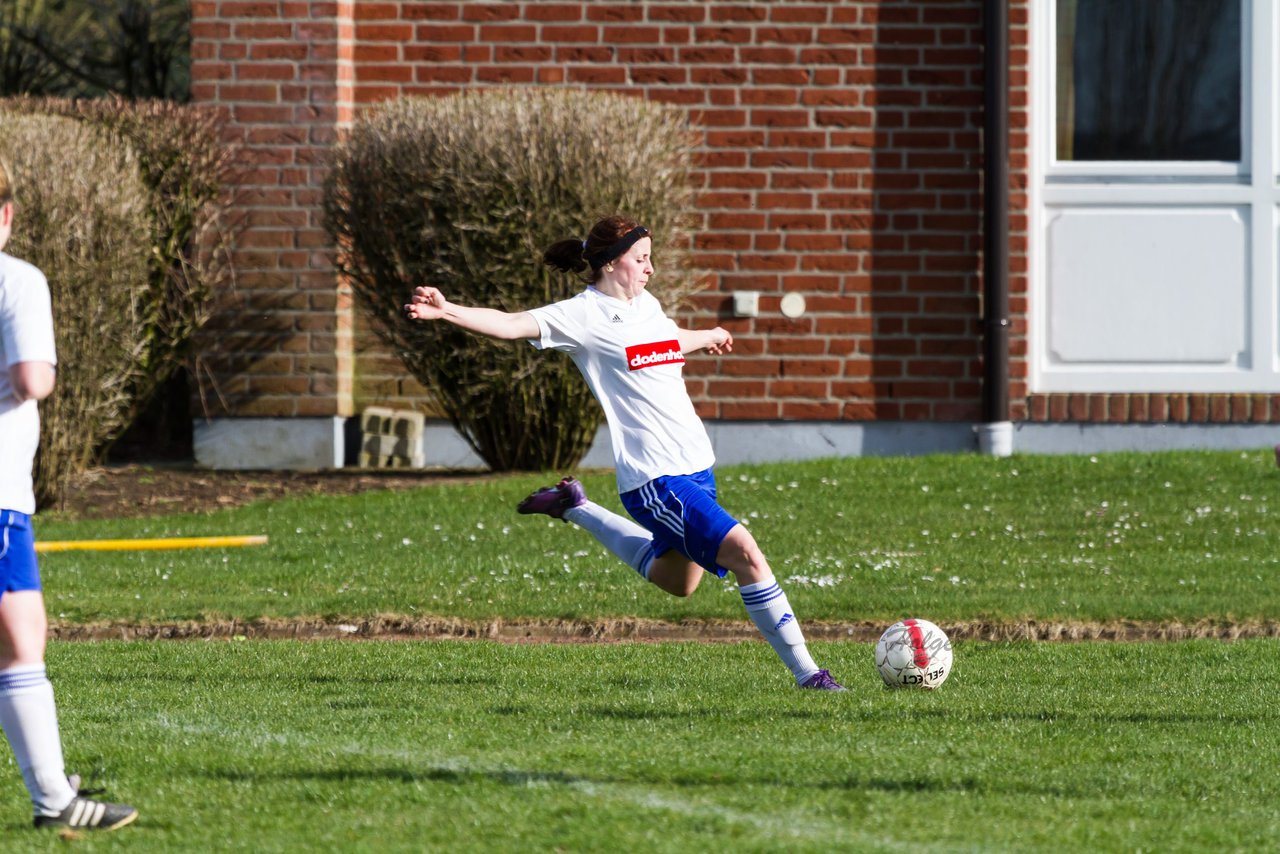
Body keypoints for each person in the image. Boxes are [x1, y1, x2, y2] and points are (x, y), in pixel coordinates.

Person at [405, 215, 845, 691]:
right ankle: (810, 676)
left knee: (679, 582)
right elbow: (511, 325)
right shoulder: (581, 316)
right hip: (655, 479)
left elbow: (666, 343)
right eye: (642, 259)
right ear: (613, 263)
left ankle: (576, 507)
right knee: (746, 554)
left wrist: (710, 336)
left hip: (697, 468)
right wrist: (447, 310)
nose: (650, 268)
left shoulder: (646, 304)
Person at [0, 158, 138, 830]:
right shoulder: (16, 279)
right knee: (21, 641)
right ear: (6, 215)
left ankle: (50, 784)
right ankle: (54, 799)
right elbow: (32, 378)